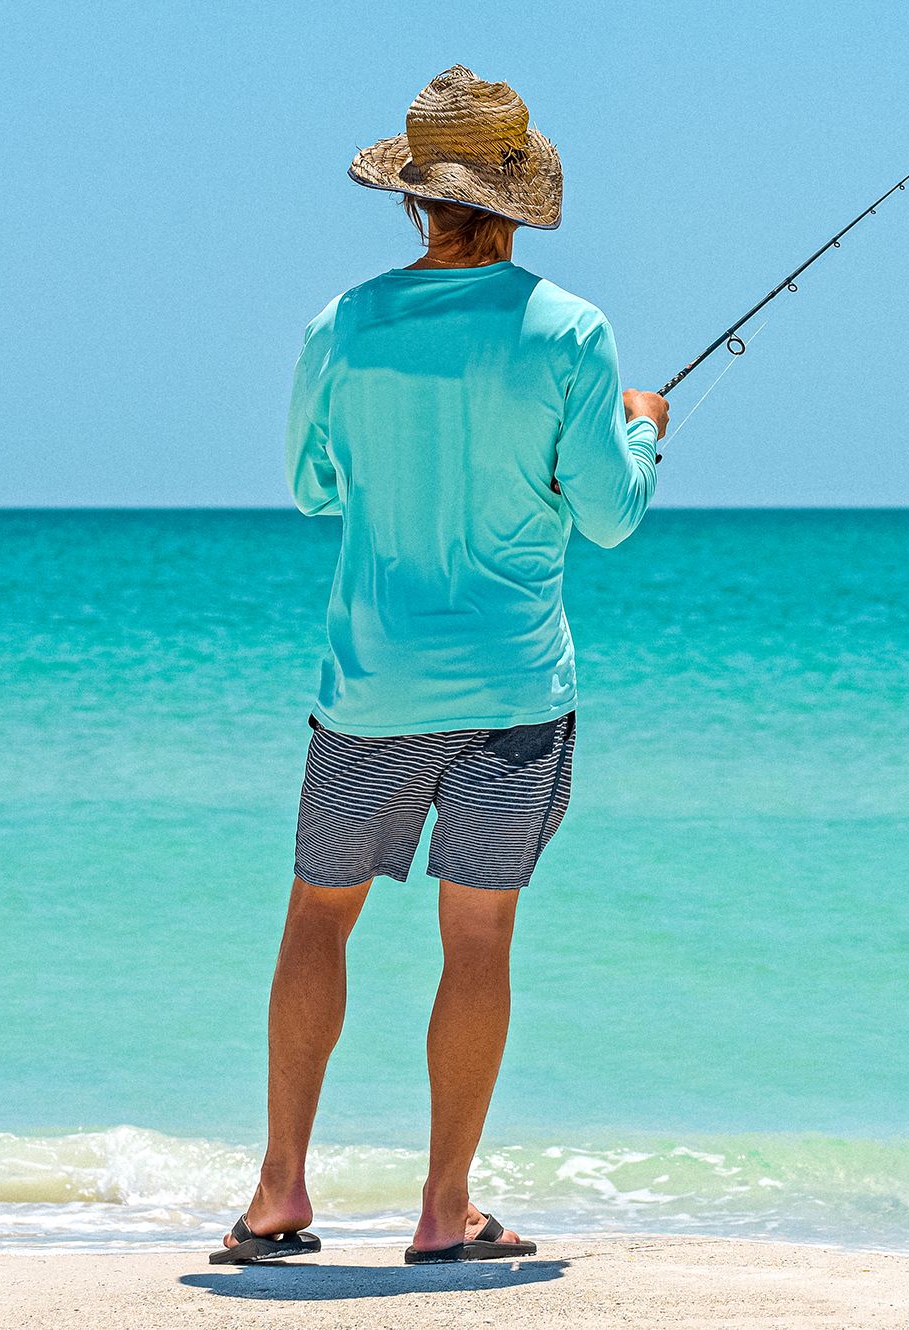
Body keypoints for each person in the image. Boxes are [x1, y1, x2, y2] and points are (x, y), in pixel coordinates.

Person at [211, 65, 666, 1267]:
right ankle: (442, 1206)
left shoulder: (344, 324)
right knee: (479, 941)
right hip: (515, 688)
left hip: (369, 685)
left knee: (318, 918)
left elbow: (313, 490)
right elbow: (611, 517)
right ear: (514, 194)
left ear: (414, 197)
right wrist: (642, 430)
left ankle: (276, 1195)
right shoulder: (570, 331)